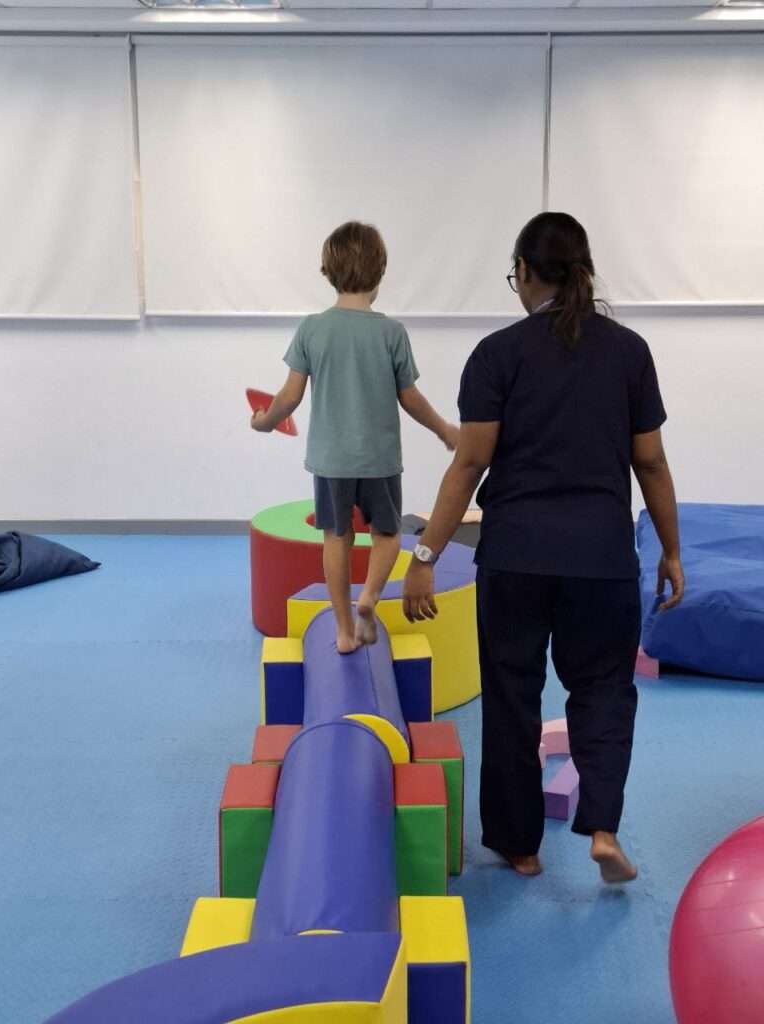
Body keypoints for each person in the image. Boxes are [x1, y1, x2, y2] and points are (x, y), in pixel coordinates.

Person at [402, 212, 684, 883]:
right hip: (602, 559)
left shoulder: (498, 355)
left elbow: (468, 465)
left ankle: (519, 846)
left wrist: (424, 557)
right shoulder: (628, 352)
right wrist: (672, 551)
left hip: (516, 556)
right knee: (604, 690)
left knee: (510, 695)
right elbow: (651, 464)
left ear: (526, 273)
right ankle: (604, 830)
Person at [252, 221, 459, 654]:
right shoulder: (390, 333)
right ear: (380, 272)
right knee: (386, 536)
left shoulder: (312, 329)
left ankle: (345, 630)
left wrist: (264, 422)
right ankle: (369, 598)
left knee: (337, 537)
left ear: (327, 270)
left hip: (330, 460)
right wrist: (444, 430)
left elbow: (288, 398)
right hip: (380, 459)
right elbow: (411, 398)